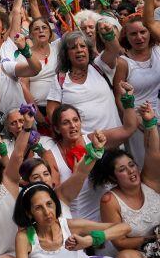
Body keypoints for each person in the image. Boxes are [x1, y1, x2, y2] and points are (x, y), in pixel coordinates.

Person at [93, 103, 160, 258]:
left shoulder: (149, 182)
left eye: (131, 165)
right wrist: (151, 239)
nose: (131, 171)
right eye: (122, 169)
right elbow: (120, 243)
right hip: (139, 253)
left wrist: (150, 124)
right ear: (113, 177)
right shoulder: (110, 200)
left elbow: (154, 153)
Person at [44, 89, 139, 221]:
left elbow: (129, 128)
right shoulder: (51, 155)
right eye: (66, 123)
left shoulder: (94, 139)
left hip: (109, 211)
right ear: (56, 128)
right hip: (77, 220)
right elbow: (54, 196)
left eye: (75, 120)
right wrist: (78, 175)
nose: (73, 125)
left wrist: (128, 100)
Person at [46, 29, 121, 133]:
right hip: (83, 144)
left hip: (113, 139)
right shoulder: (60, 78)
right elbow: (52, 110)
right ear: (66, 54)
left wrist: (109, 34)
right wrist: (67, 133)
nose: (79, 50)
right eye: (73, 47)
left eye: (83, 46)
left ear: (89, 50)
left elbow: (113, 50)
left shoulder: (100, 66)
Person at [113, 15, 160, 166]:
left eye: (143, 32)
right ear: (126, 36)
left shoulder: (158, 51)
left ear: (150, 32)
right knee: (145, 166)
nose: (139, 37)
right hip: (139, 123)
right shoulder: (123, 63)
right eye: (133, 34)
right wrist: (134, 121)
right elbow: (119, 98)